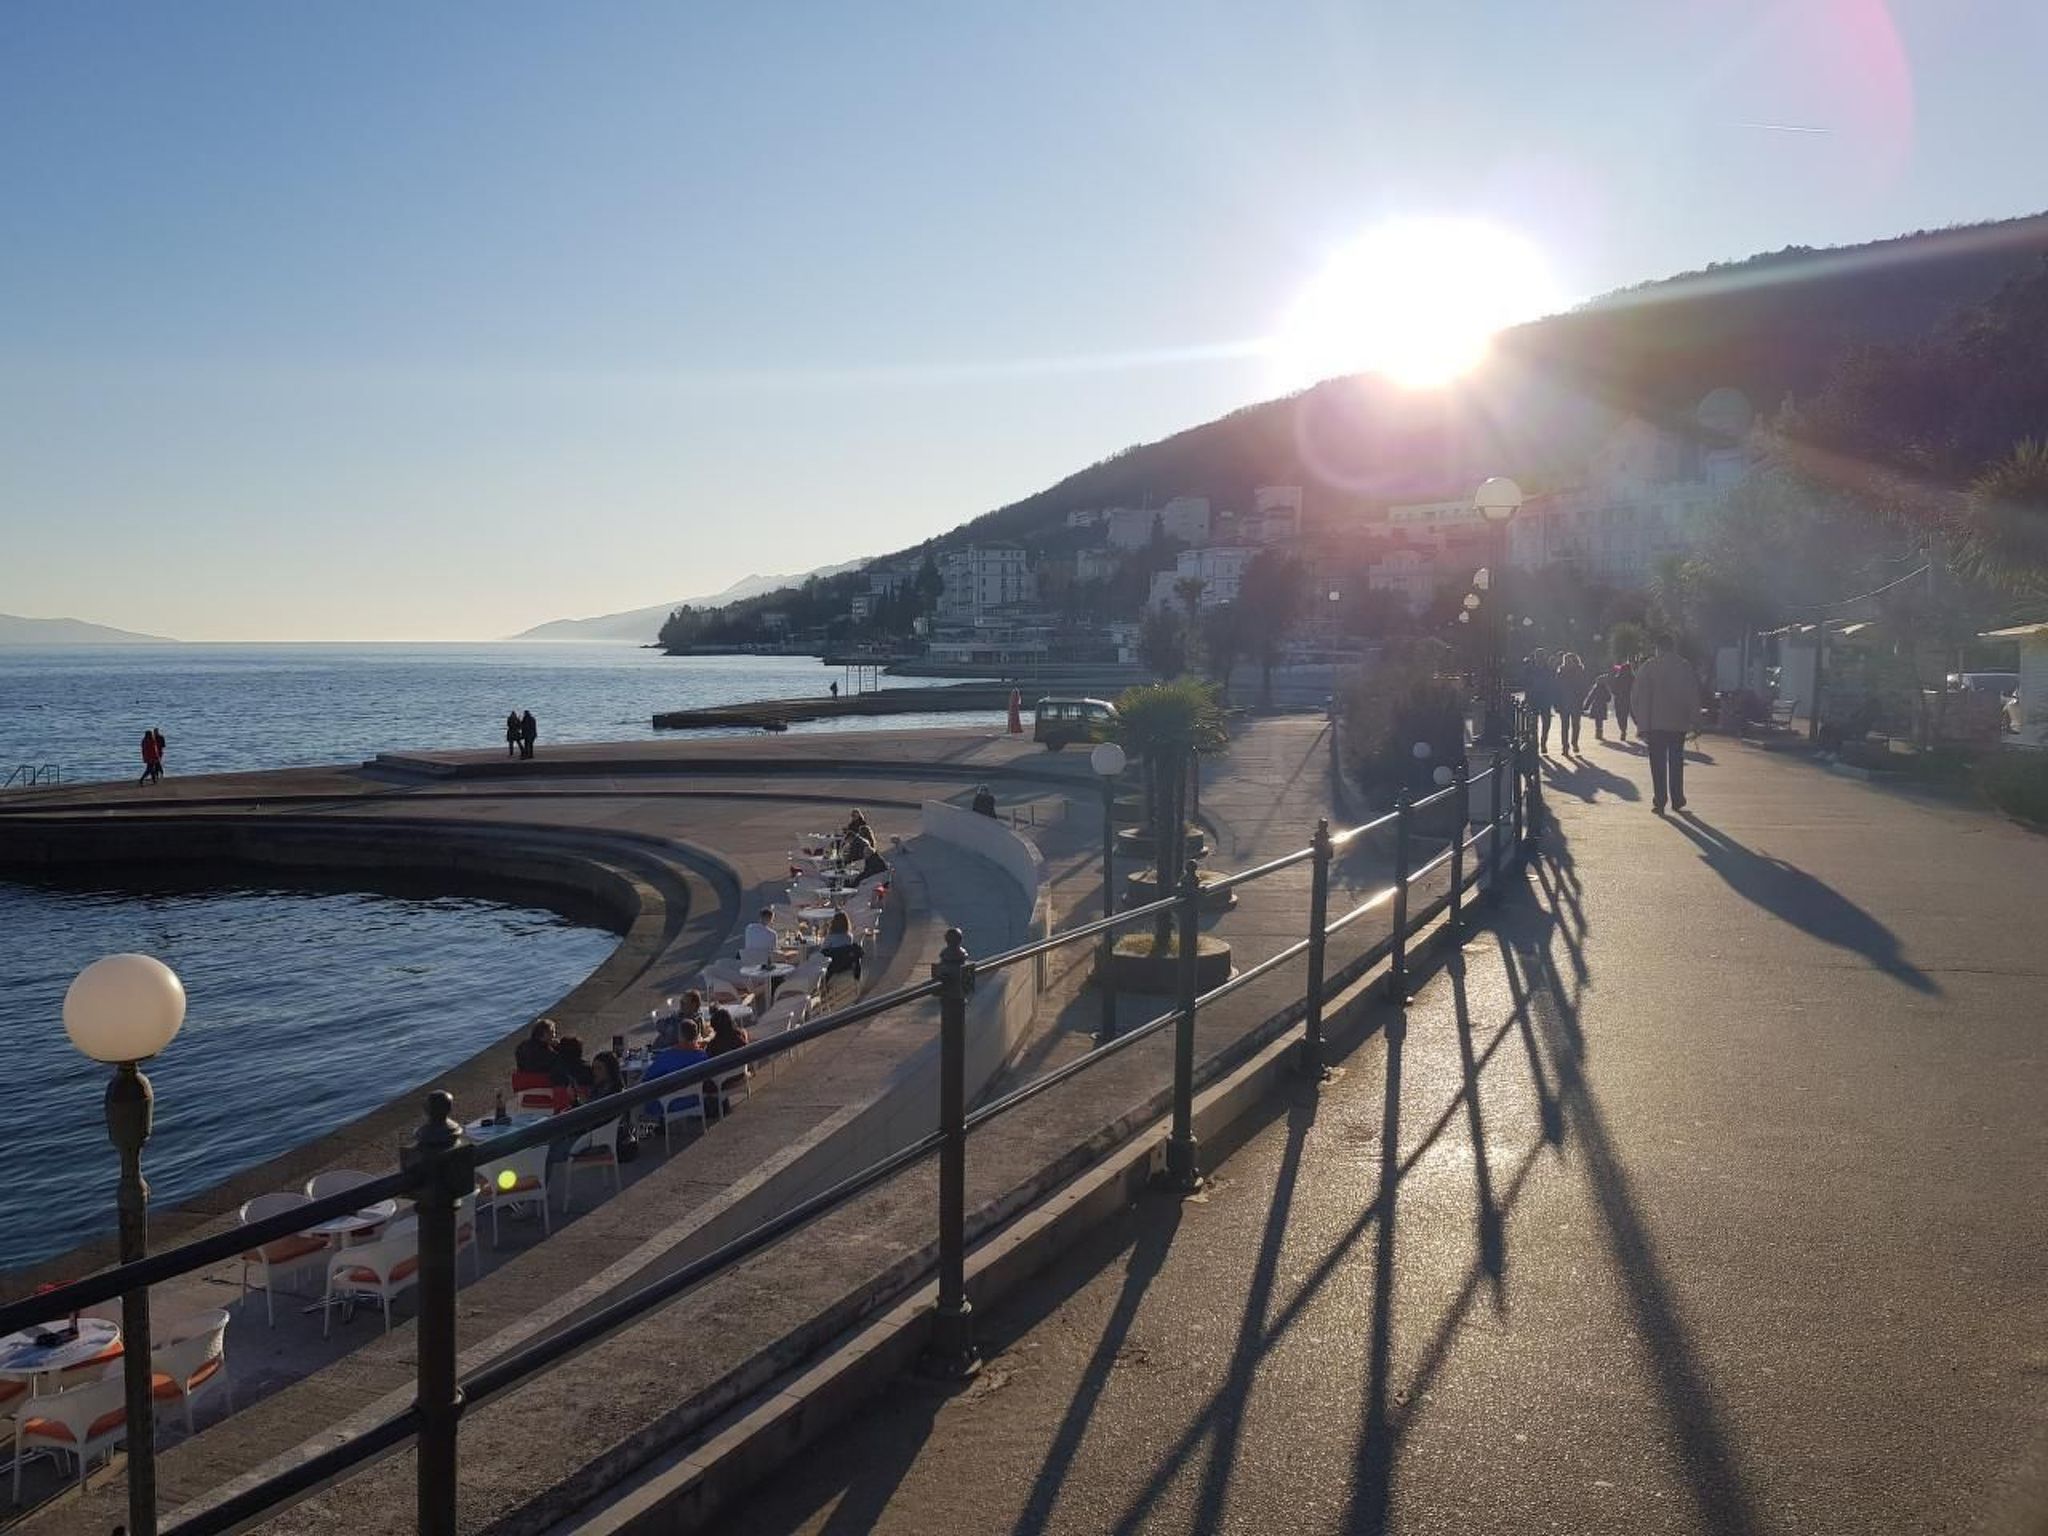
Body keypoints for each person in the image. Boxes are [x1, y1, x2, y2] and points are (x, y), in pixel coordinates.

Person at [1631, 634, 1702, 814]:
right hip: (1678, 723)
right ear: (1673, 647)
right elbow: (1692, 695)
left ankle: (1660, 800)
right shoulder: (1684, 666)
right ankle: (1677, 798)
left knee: (1657, 764)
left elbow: (1638, 697)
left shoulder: (1649, 667)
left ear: (1658, 647)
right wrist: (1695, 720)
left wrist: (1641, 722)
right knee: (1676, 761)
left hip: (1655, 724)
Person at [1555, 653, 1589, 755]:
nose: (1568, 663)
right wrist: (1557, 703)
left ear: (1575, 661)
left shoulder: (1579, 671)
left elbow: (1584, 687)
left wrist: (1581, 698)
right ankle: (1565, 747)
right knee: (1565, 726)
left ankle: (1574, 743)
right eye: (1566, 661)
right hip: (1564, 702)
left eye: (1570, 661)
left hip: (1576, 702)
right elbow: (1556, 688)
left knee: (1576, 725)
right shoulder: (1561, 672)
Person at [1524, 650, 1557, 753]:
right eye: (1538, 657)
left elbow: (1553, 684)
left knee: (1546, 723)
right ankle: (1535, 743)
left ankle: (1543, 743)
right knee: (1533, 723)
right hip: (1533, 698)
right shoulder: (1529, 669)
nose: (1539, 659)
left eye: (1541, 657)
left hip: (1545, 699)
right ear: (1535, 658)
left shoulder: (1549, 670)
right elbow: (1525, 683)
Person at [821, 910, 864, 981]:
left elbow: (823, 950)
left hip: (834, 966)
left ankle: (823, 983)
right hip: (847, 965)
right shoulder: (849, 936)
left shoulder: (830, 937)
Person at [1583, 672, 1614, 742]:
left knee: (1597, 720)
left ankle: (1598, 733)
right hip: (1602, 706)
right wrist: (1605, 700)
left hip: (1596, 705)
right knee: (1600, 720)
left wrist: (1586, 706)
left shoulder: (1596, 688)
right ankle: (1600, 733)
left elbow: (1591, 697)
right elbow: (1609, 698)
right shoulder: (1605, 688)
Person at [1610, 661, 1636, 742]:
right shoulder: (1633, 678)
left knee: (1621, 717)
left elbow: (1613, 689)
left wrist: (1617, 694)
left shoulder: (1617, 678)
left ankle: (1623, 731)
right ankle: (1640, 730)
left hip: (1620, 699)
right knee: (1633, 716)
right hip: (1630, 699)